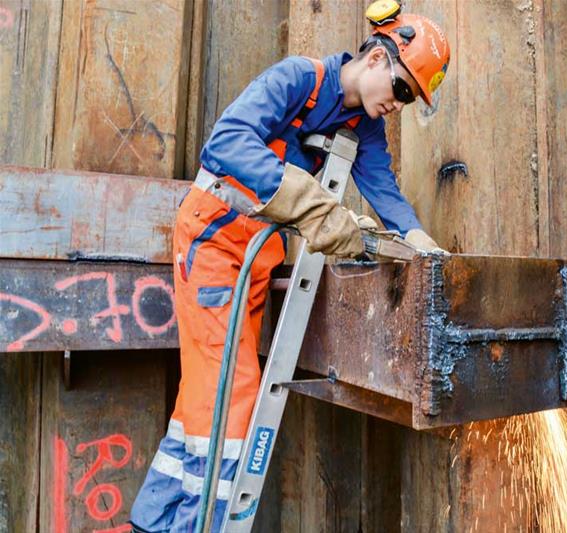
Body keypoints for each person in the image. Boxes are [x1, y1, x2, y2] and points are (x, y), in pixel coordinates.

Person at [129, 5, 450, 532]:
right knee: (230, 395)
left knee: (204, 395)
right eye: (402, 87)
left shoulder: (362, 130)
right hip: (213, 242)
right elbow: (227, 143)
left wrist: (421, 245)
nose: (400, 103)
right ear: (375, 57)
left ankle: (155, 520)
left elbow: (384, 192)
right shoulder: (299, 79)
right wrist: (311, 204)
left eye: (411, 97)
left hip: (254, 259)